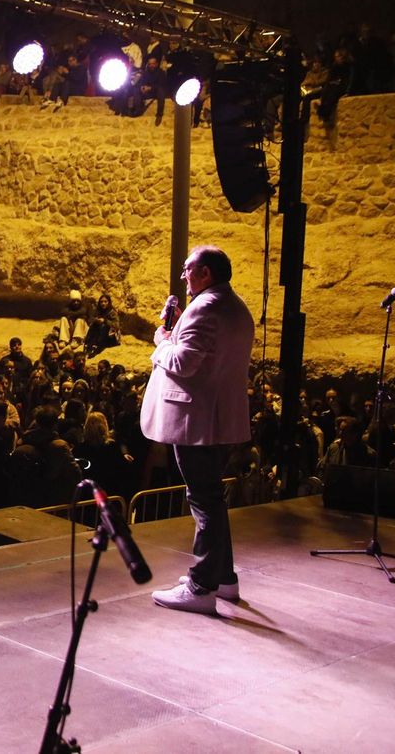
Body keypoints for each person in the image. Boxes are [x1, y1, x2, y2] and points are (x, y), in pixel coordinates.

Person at [142, 246, 255, 614]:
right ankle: (223, 578)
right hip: (218, 420)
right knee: (212, 498)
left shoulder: (205, 308)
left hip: (197, 421)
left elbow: (184, 362)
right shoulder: (235, 306)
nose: (183, 276)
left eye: (188, 269)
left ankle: (201, 586)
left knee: (204, 501)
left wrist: (162, 341)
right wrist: (178, 329)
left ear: (205, 273)